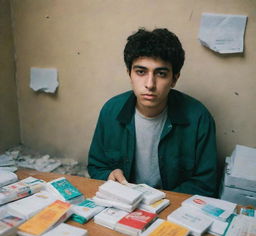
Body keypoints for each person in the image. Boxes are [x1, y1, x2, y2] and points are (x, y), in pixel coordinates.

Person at [87, 28, 218, 197]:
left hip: (172, 208)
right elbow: (96, 166)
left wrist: (159, 201)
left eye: (161, 74)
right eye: (141, 72)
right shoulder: (110, 111)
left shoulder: (199, 117)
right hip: (125, 204)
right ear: (129, 74)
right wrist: (109, 175)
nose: (150, 84)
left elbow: (205, 183)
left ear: (174, 79)